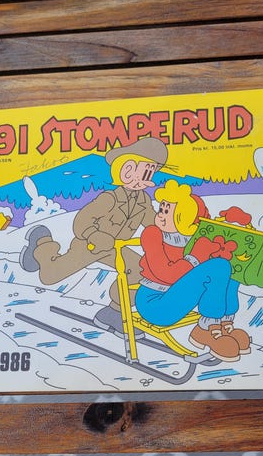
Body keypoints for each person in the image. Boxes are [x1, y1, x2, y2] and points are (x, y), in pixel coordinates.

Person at [19, 137, 168, 335]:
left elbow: (152, 222)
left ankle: (114, 313)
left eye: (153, 172)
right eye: (147, 171)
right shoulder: (110, 198)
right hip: (89, 245)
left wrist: (173, 225)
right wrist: (94, 235)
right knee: (50, 276)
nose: (150, 179)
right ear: (127, 170)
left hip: (114, 248)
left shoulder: (143, 200)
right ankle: (42, 244)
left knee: (141, 271)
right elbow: (81, 221)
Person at [135, 179, 251, 361]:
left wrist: (234, 221)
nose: (161, 216)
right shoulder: (153, 234)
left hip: (177, 299)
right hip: (155, 303)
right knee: (219, 266)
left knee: (230, 265)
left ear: (185, 217)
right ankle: (206, 328)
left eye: (167, 211)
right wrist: (195, 256)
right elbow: (166, 274)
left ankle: (224, 323)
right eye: (161, 210)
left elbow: (205, 221)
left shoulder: (194, 237)